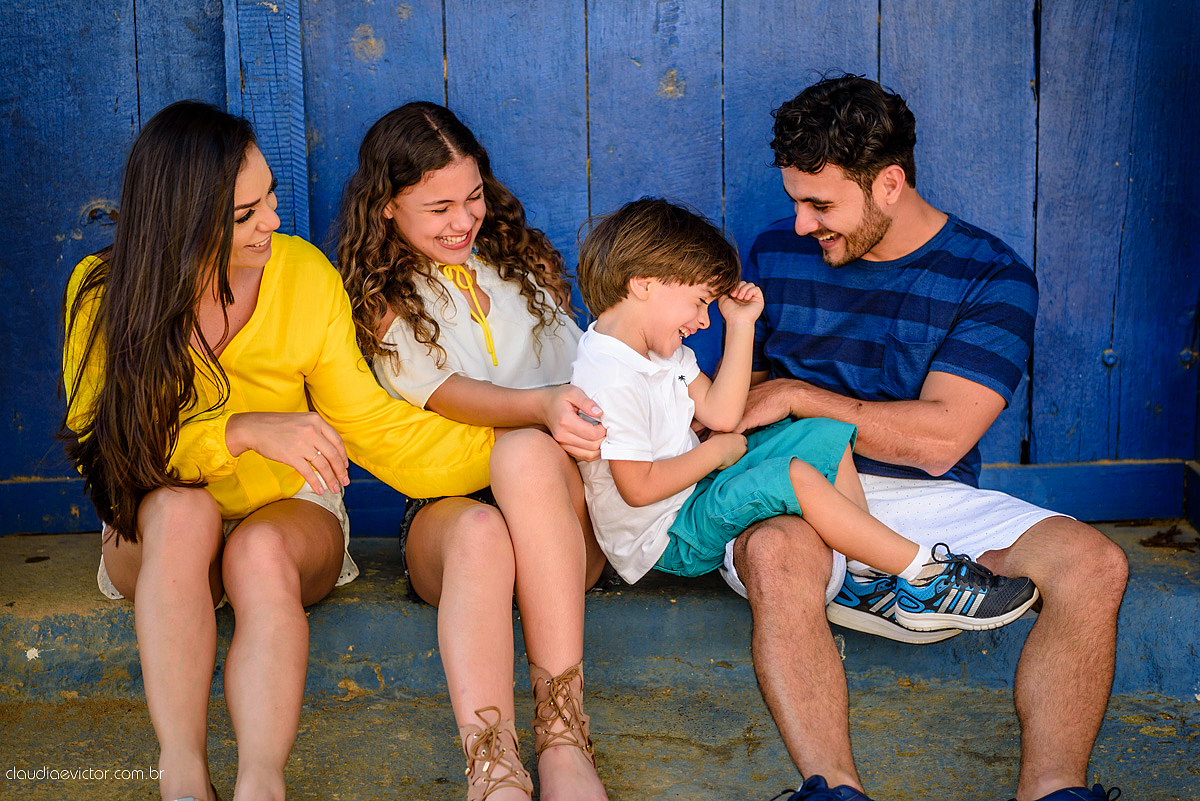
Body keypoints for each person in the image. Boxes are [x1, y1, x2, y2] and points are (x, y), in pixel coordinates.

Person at [61, 101, 496, 801]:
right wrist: (242, 430)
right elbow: (109, 457)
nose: (272, 221)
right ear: (181, 220)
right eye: (245, 214)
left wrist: (518, 444)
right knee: (182, 514)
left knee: (256, 553)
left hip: (289, 511)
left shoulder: (302, 274)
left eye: (269, 198)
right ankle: (182, 775)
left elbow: (376, 426)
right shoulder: (101, 294)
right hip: (157, 516)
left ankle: (261, 784)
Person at [725, 75, 1129, 801]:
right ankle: (834, 790)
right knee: (775, 548)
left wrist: (798, 393)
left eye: (820, 204)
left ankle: (1055, 791)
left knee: (1093, 563)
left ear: (889, 183)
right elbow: (734, 404)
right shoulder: (774, 257)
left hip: (927, 495)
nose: (799, 225)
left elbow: (941, 439)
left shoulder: (990, 276)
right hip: (796, 487)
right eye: (794, 200)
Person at [570, 198, 1037, 641]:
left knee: (827, 432)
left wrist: (743, 324)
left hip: (692, 494)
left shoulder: (658, 351)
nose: (703, 320)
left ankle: (866, 578)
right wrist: (715, 451)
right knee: (793, 476)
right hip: (666, 536)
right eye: (698, 303)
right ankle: (924, 576)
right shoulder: (611, 375)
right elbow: (639, 488)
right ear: (643, 283)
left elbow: (723, 413)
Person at [334, 101, 608, 801]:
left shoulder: (521, 263)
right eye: (438, 207)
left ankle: (563, 736)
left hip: (559, 510)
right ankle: (494, 766)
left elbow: (584, 374)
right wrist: (540, 406)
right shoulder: (381, 297)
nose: (464, 220)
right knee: (485, 526)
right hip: (451, 514)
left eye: (474, 196)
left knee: (524, 456)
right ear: (387, 207)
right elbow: (445, 393)